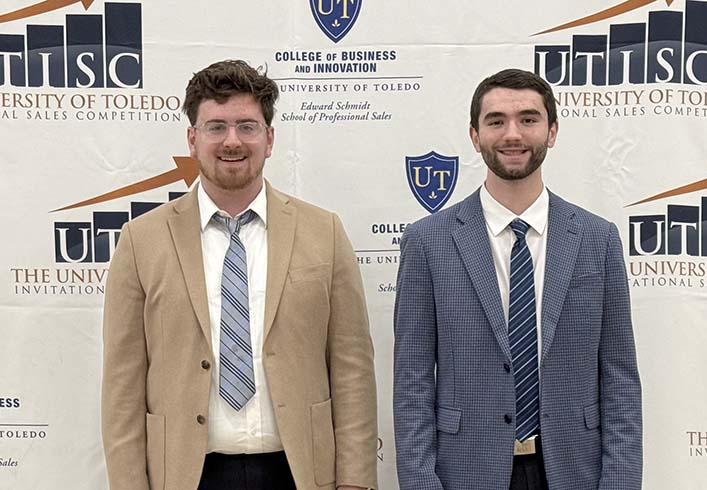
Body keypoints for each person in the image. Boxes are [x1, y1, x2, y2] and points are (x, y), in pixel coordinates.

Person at [102, 59, 378, 490]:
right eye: (216, 127)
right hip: (186, 476)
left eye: (247, 126)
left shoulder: (324, 232)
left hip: (300, 474)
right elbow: (123, 385)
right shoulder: (141, 241)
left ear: (269, 139)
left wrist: (356, 482)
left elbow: (352, 369)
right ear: (192, 139)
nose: (232, 141)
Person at [392, 68, 642, 490]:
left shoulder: (597, 239)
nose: (513, 134)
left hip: (572, 471)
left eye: (528, 119)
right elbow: (412, 384)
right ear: (474, 136)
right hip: (465, 473)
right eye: (496, 121)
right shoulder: (427, 241)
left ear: (552, 130)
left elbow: (620, 382)